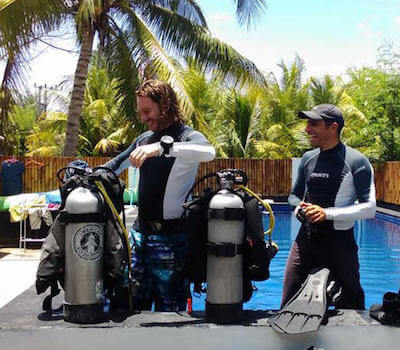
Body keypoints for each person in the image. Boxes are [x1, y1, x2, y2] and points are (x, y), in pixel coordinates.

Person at [104, 80, 215, 311]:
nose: (143, 118)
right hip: (139, 237)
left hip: (172, 241)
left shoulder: (187, 136)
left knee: (170, 318)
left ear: (164, 105)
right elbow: (113, 165)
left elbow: (209, 152)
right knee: (131, 310)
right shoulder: (143, 140)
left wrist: (163, 149)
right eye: (140, 112)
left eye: (147, 111)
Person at [282, 103, 376, 310]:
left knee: (351, 306)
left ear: (333, 127)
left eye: (314, 124)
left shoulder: (356, 161)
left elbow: (369, 208)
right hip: (306, 240)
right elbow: (294, 196)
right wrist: (299, 208)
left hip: (340, 243)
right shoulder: (308, 158)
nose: (307, 129)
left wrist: (326, 213)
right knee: (289, 298)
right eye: (307, 123)